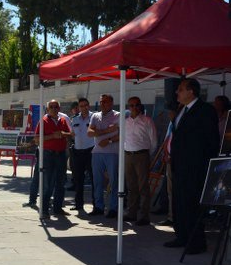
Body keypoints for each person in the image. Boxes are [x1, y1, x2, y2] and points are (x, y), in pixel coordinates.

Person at [164, 78, 220, 253]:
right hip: (179, 166)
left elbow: (210, 141)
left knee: (192, 205)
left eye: (180, 89)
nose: (177, 93)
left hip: (195, 168)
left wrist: (202, 165)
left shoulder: (205, 110)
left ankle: (196, 242)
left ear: (191, 92)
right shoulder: (182, 110)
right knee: (179, 203)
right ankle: (182, 236)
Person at [34, 99, 72, 218]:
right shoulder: (43, 121)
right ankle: (44, 210)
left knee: (61, 182)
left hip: (61, 154)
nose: (54, 109)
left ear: (59, 109)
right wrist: (52, 136)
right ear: (47, 109)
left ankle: (58, 208)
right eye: (52, 107)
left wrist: (63, 134)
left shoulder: (63, 120)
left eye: (56, 107)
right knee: (48, 184)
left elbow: (69, 134)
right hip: (48, 154)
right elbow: (36, 139)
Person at [123, 97, 158, 226]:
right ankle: (131, 213)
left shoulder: (147, 120)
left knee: (143, 186)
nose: (134, 107)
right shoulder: (125, 121)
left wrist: (146, 155)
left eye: (137, 105)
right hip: (128, 155)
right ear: (128, 107)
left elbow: (153, 141)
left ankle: (144, 216)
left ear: (140, 106)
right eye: (131, 105)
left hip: (141, 155)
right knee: (131, 186)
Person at [87, 94, 120, 218]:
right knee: (97, 181)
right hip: (97, 153)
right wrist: (106, 131)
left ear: (111, 103)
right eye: (101, 102)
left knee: (113, 181)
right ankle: (99, 207)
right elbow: (89, 133)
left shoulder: (117, 115)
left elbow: (122, 134)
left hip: (112, 152)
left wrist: (109, 140)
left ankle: (113, 208)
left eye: (105, 102)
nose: (102, 104)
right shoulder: (95, 116)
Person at [69, 98, 94, 212]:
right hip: (78, 152)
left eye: (85, 105)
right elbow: (73, 134)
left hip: (91, 151)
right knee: (78, 180)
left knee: (94, 179)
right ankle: (78, 204)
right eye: (81, 106)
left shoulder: (94, 117)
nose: (84, 108)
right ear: (78, 108)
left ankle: (96, 205)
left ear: (89, 106)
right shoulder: (74, 119)